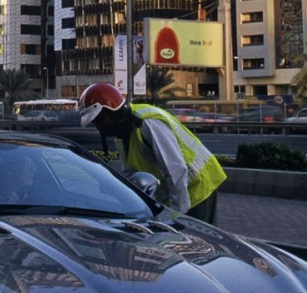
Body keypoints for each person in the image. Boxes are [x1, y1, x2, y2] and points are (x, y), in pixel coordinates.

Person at [78, 81, 225, 222]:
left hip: (198, 185)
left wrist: (175, 217)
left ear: (113, 110)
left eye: (100, 120)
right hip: (180, 190)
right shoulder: (123, 134)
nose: (100, 127)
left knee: (196, 242)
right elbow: (133, 174)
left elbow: (176, 170)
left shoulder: (147, 123)